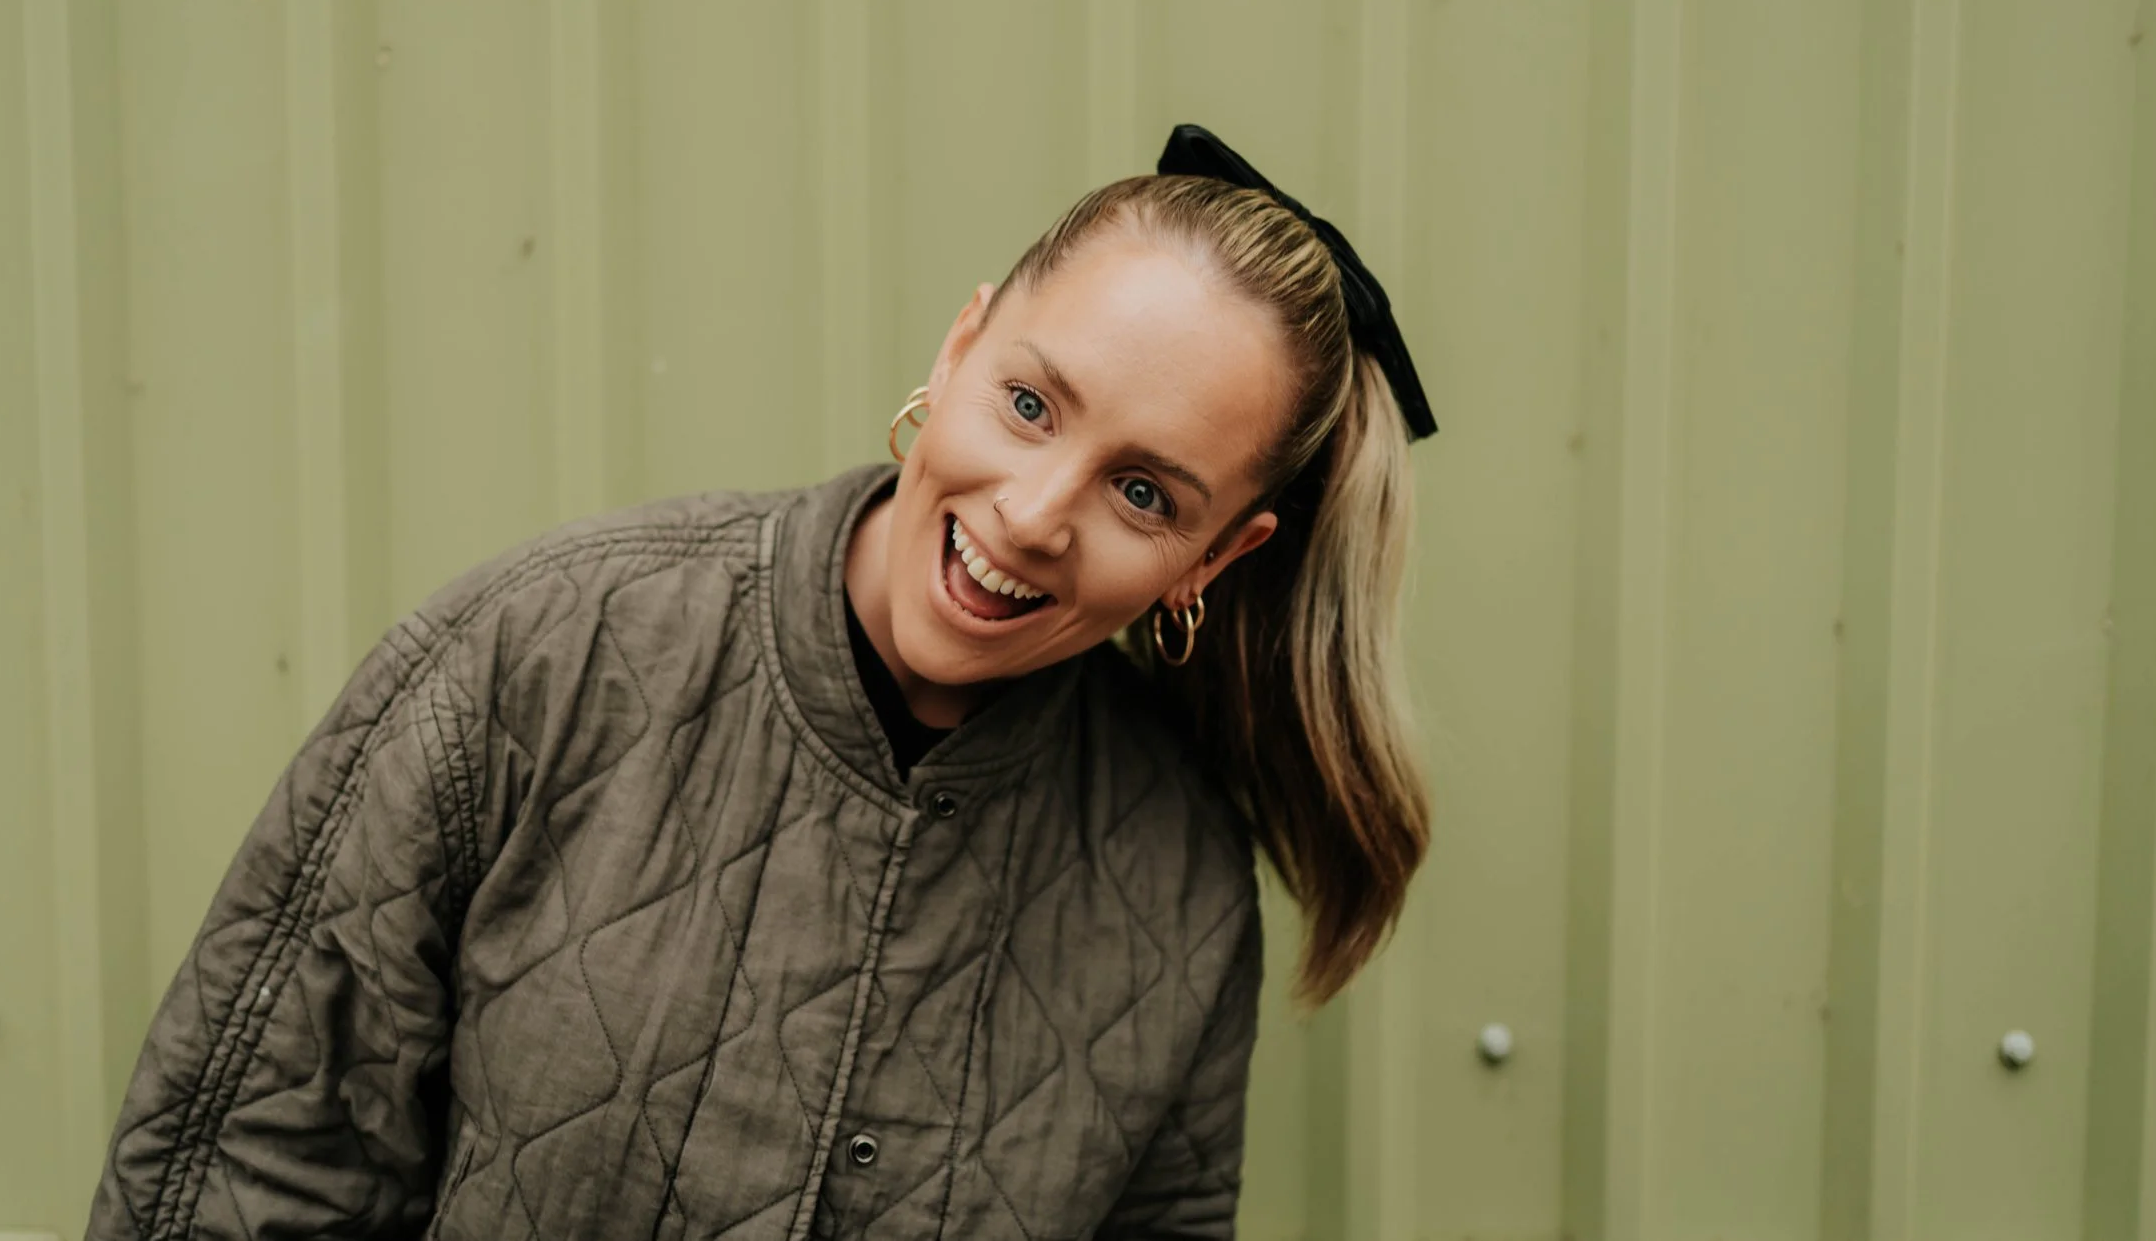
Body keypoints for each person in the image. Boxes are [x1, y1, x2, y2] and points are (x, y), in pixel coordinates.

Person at [85, 126, 1438, 1241]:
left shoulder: (1177, 881)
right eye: (1031, 404)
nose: (1033, 514)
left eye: (1143, 492)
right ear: (964, 343)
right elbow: (244, 1176)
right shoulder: (540, 661)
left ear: (1215, 554)